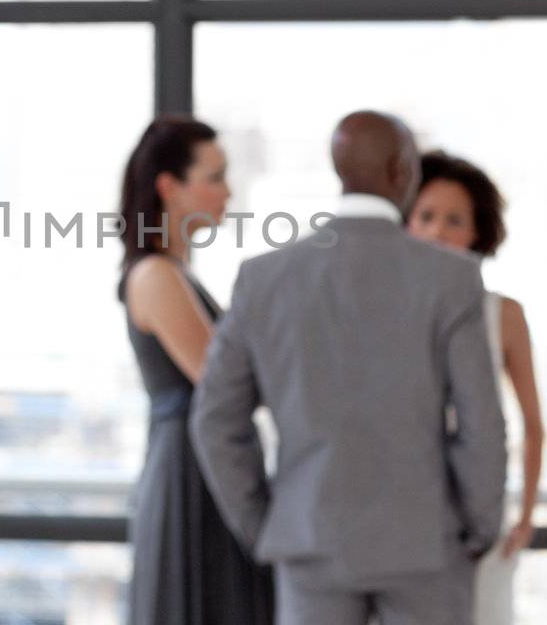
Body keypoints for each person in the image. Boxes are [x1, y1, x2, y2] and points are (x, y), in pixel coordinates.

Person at [191, 111, 505, 625]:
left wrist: (265, 522)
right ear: (403, 171)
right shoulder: (451, 278)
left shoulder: (264, 278)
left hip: (310, 538)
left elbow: (215, 418)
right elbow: (481, 423)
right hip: (426, 543)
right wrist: (478, 524)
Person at [117, 116, 274, 625]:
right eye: (214, 176)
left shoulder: (174, 273)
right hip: (192, 469)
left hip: (202, 462)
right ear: (170, 187)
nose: (226, 190)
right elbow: (227, 380)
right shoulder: (156, 275)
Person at [407, 152, 544, 625]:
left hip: (481, 523)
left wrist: (524, 518)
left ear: (477, 232)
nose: (437, 232)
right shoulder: (388, 313)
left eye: (454, 220)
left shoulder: (503, 315)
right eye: (425, 217)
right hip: (404, 525)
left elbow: (533, 425)